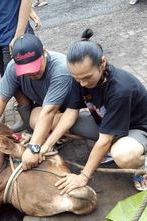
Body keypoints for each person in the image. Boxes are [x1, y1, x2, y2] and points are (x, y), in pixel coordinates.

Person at [29, 29, 147, 193]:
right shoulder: (79, 78)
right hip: (106, 121)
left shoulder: (120, 89)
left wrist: (83, 176)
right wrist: (45, 145)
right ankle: (111, 147)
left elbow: (104, 140)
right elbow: (71, 113)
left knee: (122, 155)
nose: (82, 84)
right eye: (77, 78)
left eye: (87, 77)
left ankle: (142, 166)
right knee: (54, 121)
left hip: (137, 128)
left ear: (102, 63)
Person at [0, 34, 73, 171]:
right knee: (34, 119)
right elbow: (1, 98)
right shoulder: (13, 67)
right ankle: (46, 133)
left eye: (35, 67)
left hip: (69, 108)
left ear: (44, 52)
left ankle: (66, 133)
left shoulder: (60, 68)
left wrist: (34, 148)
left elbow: (49, 112)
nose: (31, 73)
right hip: (44, 105)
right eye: (26, 70)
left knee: (45, 122)